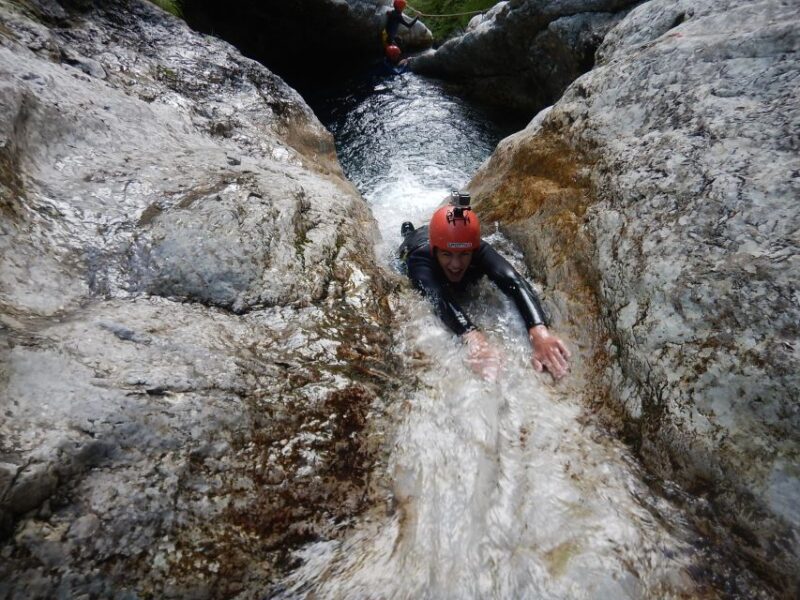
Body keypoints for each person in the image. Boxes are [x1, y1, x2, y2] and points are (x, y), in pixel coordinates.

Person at [399, 193, 571, 380]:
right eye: (447, 255)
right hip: (414, 242)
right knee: (409, 233)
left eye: (464, 254)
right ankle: (408, 231)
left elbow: (514, 281)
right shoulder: (420, 260)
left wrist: (539, 333)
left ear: (473, 249)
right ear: (436, 252)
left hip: (440, 234)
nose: (456, 265)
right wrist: (474, 338)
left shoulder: (478, 248)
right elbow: (439, 297)